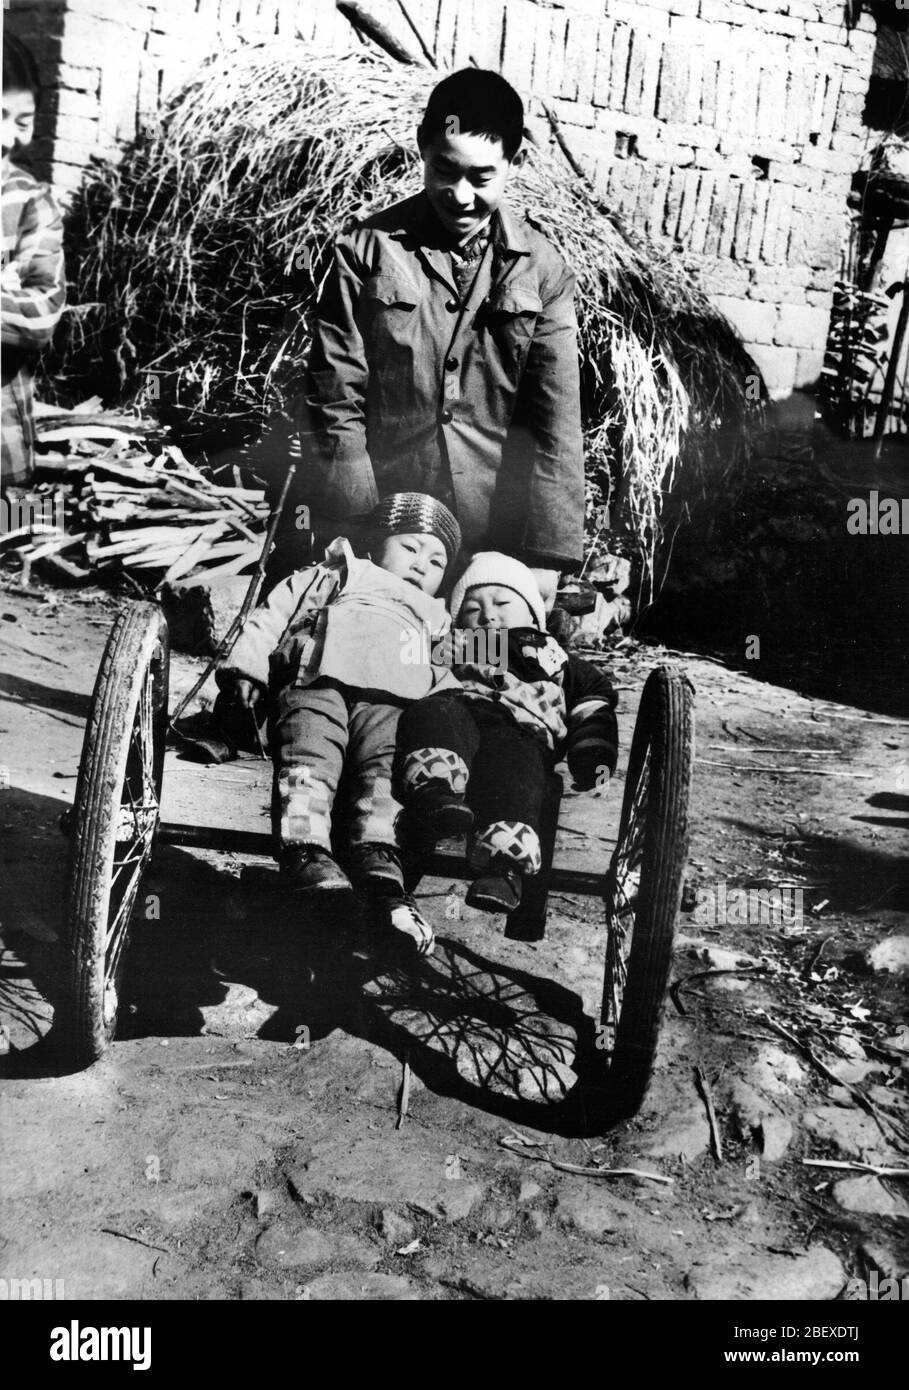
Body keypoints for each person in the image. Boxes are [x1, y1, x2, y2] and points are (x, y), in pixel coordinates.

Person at [290, 66, 585, 610]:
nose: (460, 194)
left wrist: (546, 553)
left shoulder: (544, 272)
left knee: (475, 669)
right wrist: (357, 524)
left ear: (513, 166)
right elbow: (336, 394)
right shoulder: (364, 252)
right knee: (369, 650)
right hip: (385, 523)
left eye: (482, 177)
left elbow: (556, 420)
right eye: (445, 170)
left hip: (490, 536)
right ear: (423, 148)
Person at [215, 492, 462, 956]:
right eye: (410, 547)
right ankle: (306, 851)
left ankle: (378, 861)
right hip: (316, 680)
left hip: (392, 702)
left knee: (384, 771)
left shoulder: (438, 616)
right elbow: (270, 616)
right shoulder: (337, 572)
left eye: (437, 560)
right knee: (309, 757)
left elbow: (461, 668)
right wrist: (245, 671)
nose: (421, 565)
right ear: (377, 542)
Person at [395, 553, 618, 914]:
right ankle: (435, 793)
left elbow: (594, 698)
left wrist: (591, 753)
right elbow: (406, 664)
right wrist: (434, 652)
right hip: (461, 710)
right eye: (471, 609)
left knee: (518, 767)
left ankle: (504, 868)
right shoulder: (457, 644)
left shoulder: (550, 654)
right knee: (431, 712)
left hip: (522, 730)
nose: (487, 615)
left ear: (533, 613)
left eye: (502, 602)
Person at [1, 34, 65, 493]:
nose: (11, 137)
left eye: (23, 120)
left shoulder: (31, 202)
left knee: (11, 549)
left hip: (2, 447)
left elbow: (42, 313)